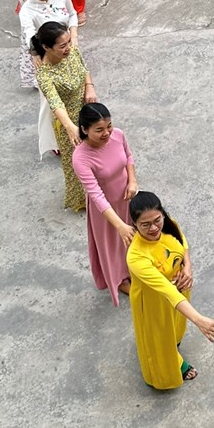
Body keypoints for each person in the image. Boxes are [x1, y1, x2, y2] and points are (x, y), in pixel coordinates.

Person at [126, 192, 214, 390]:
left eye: (157, 220)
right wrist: (198, 319)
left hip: (179, 289)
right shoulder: (136, 256)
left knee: (174, 327)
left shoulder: (168, 225)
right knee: (158, 337)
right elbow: (166, 289)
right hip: (154, 301)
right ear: (134, 225)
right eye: (145, 225)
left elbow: (183, 244)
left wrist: (187, 268)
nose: (153, 228)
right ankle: (174, 365)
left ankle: (173, 348)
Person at [71, 103, 137, 306]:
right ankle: (119, 279)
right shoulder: (81, 157)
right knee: (112, 244)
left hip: (126, 199)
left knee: (134, 237)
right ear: (84, 129)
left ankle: (135, 268)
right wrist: (119, 225)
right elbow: (96, 195)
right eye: (99, 129)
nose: (107, 133)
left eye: (109, 126)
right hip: (105, 210)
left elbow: (128, 156)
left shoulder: (118, 135)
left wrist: (132, 181)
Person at [32, 21, 95, 212]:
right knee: (76, 163)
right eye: (62, 46)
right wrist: (70, 127)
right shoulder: (44, 74)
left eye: (68, 42)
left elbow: (84, 69)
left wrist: (89, 86)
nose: (68, 47)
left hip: (87, 111)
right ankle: (82, 200)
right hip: (68, 121)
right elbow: (55, 103)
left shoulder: (72, 51)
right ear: (46, 47)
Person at [18, 0, 78, 150]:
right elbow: (29, 34)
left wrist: (74, 37)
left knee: (76, 92)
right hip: (49, 58)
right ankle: (55, 140)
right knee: (52, 102)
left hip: (68, 50)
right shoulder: (27, 10)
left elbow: (72, 14)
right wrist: (35, 54)